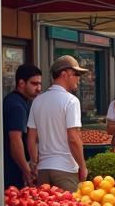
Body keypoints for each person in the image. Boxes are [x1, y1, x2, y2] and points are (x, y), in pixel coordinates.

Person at [27, 55, 87, 191]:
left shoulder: (38, 100)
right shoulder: (71, 101)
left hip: (43, 169)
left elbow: (31, 137)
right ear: (64, 74)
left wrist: (35, 162)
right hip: (65, 169)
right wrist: (82, 166)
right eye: (76, 74)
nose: (79, 77)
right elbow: (73, 138)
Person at [0, 63, 43, 187]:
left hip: (6, 167)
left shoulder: (15, 101)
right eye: (34, 83)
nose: (38, 88)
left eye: (39, 84)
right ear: (21, 83)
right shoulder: (17, 106)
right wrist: (26, 170)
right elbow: (15, 140)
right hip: (12, 171)